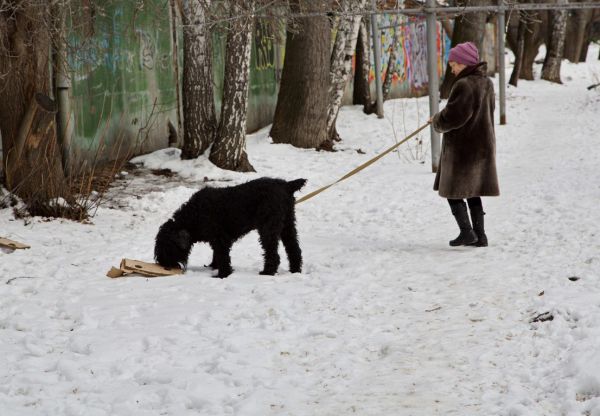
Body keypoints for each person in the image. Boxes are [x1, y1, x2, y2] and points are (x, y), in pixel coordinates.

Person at [430, 42, 499, 247]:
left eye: (454, 64)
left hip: (463, 150)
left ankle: (467, 232)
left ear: (464, 63)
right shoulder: (486, 83)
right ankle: (481, 236)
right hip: (482, 146)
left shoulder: (464, 84)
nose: (452, 68)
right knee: (473, 190)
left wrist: (436, 120)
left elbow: (454, 117)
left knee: (454, 191)